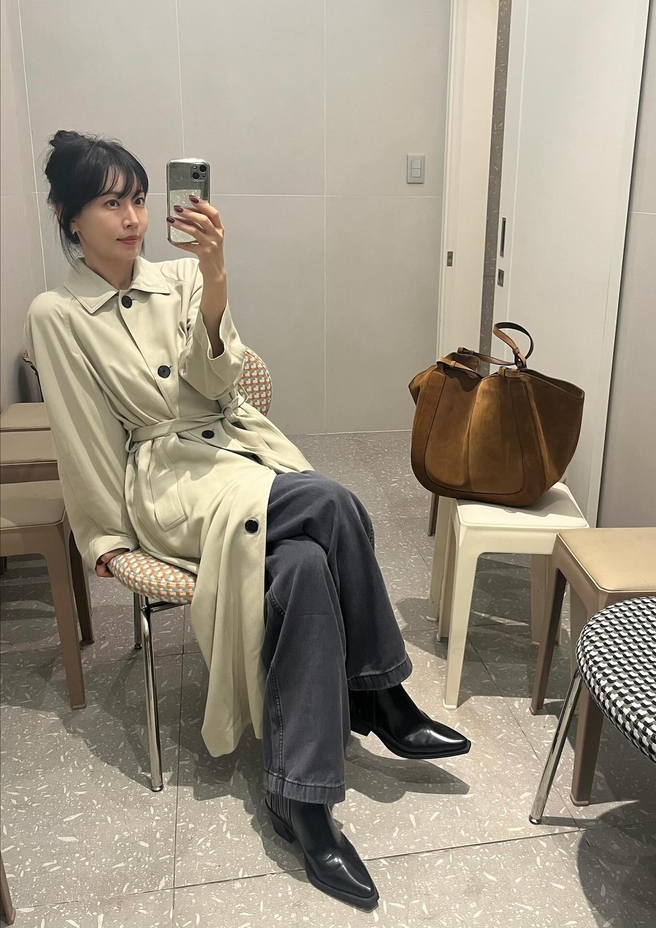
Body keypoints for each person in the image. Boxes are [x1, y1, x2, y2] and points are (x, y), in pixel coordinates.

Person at [24, 130, 471, 910]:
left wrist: (216, 275)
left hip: (234, 456)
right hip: (168, 484)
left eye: (139, 199)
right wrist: (104, 537)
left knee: (303, 568)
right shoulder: (56, 314)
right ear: (69, 216)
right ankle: (379, 695)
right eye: (110, 203)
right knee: (332, 501)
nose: (132, 218)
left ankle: (301, 800)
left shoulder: (179, 276)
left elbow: (217, 382)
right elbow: (82, 433)